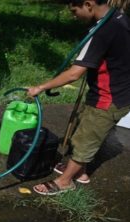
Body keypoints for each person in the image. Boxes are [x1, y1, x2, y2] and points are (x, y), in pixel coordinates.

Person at [27, 0, 130, 195]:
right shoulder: (118, 17)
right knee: (83, 127)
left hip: (109, 97)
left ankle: (65, 181)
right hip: (117, 90)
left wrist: (40, 87)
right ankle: (80, 172)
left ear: (88, 4)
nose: (74, 16)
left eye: (75, 11)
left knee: (86, 138)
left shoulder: (101, 31)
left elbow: (74, 73)